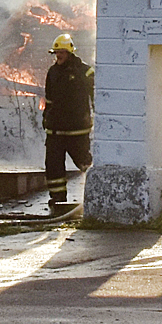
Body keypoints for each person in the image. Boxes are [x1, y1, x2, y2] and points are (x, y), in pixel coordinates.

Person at [42, 33, 93, 215]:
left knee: (84, 162)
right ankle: (58, 199)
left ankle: (95, 194)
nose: (58, 55)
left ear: (70, 51)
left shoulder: (85, 72)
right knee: (53, 165)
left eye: (61, 52)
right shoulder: (52, 72)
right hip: (55, 130)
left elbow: (97, 97)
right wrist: (46, 118)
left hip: (77, 129)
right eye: (56, 52)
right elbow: (48, 100)